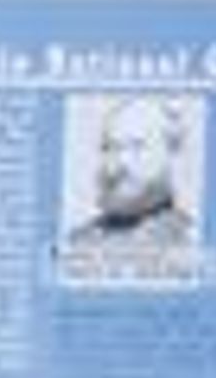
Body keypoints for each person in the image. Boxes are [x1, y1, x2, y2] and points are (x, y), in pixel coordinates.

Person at [60, 95, 198, 272]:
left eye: (136, 146)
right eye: (110, 147)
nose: (120, 162)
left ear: (172, 154)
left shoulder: (190, 241)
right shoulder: (78, 241)